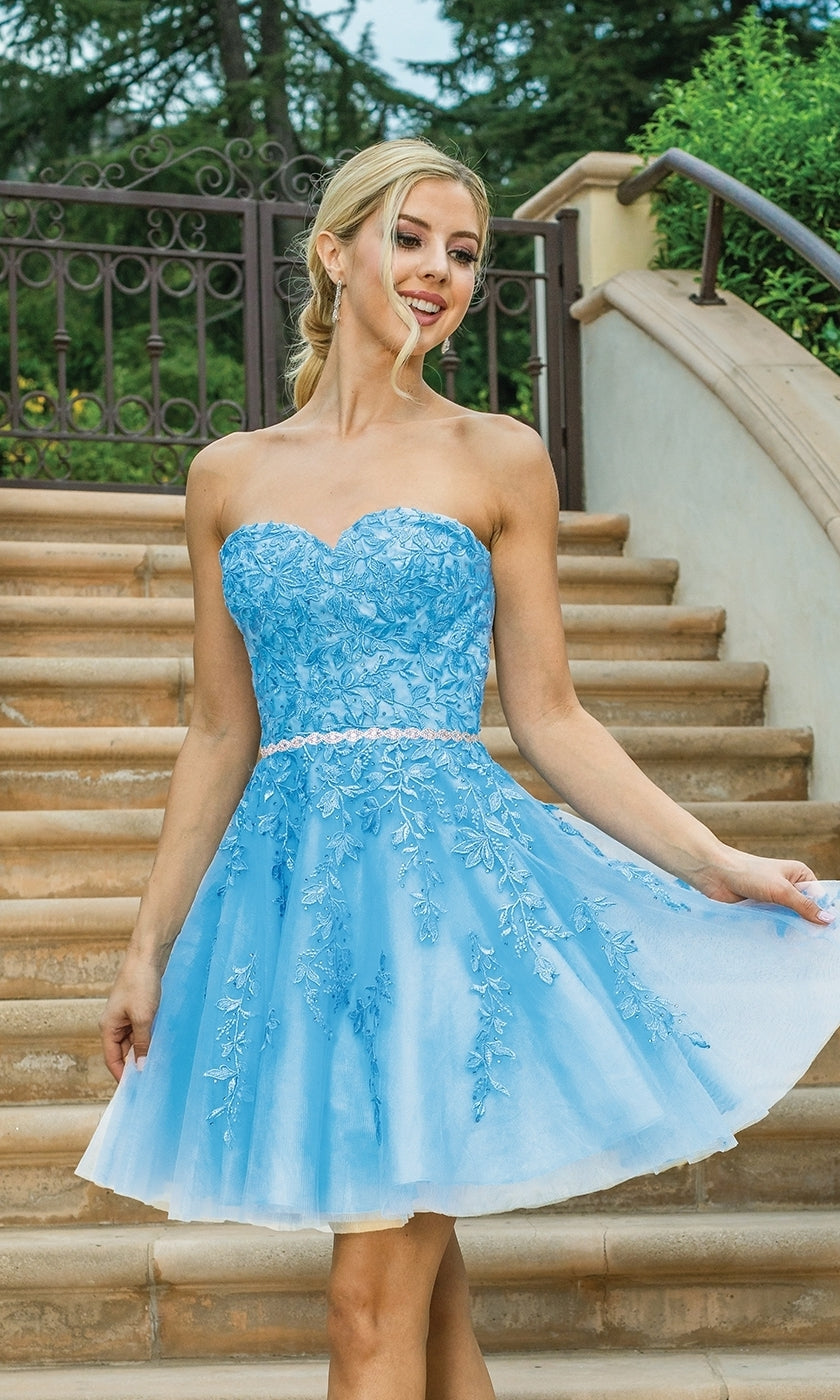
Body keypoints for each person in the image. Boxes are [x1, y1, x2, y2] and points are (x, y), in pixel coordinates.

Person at [77, 138, 840, 1400]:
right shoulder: (226, 475)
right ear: (335, 253)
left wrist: (712, 862)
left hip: (444, 901)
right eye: (411, 237)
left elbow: (551, 715)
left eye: (467, 251)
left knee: (366, 1301)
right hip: (293, 909)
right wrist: (147, 943)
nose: (441, 269)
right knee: (429, 1308)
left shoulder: (498, 456)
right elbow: (219, 732)